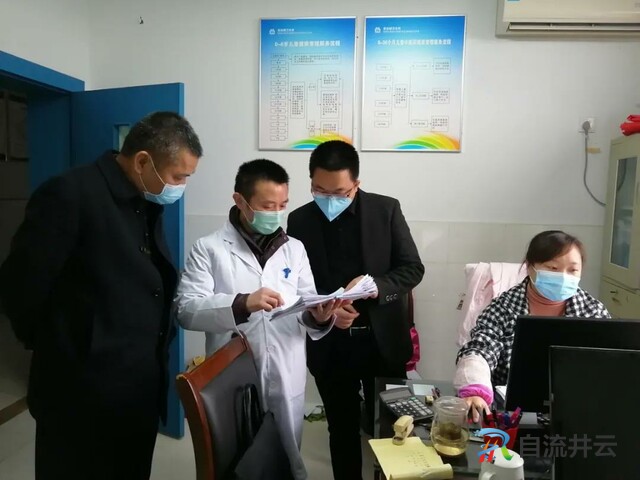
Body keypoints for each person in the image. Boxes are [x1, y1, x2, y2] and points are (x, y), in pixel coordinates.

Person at [0, 112, 203, 479]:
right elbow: (20, 287)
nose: (181, 186)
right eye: (178, 176)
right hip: (80, 396)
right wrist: (65, 346)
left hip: (136, 391)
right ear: (142, 161)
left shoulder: (145, 199)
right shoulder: (70, 194)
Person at [174, 159, 344, 480]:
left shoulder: (294, 249)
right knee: (239, 461)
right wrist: (242, 303)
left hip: (286, 367)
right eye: (268, 206)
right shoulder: (209, 249)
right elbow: (186, 309)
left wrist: (319, 316)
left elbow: (306, 304)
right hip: (233, 376)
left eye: (283, 205)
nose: (277, 214)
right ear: (240, 201)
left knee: (288, 457)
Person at [287, 140, 425, 480]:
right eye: (320, 191)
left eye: (340, 192)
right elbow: (296, 286)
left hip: (383, 343)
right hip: (331, 344)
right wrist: (327, 311)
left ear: (356, 184)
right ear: (311, 183)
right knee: (341, 428)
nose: (329, 199)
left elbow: (412, 269)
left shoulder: (385, 210)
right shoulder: (299, 220)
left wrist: (376, 286)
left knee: (393, 427)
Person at [454, 230, 611, 422]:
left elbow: (610, 364)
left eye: (572, 270)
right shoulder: (504, 306)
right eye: (553, 268)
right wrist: (476, 390)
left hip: (577, 413)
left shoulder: (592, 311)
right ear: (530, 267)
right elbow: (480, 349)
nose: (563, 277)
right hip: (511, 417)